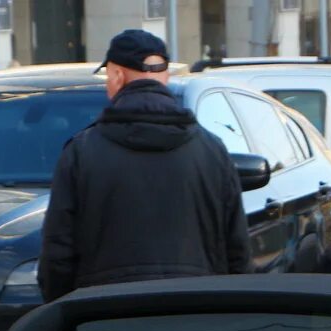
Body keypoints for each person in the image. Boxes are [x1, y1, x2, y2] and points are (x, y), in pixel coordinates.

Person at [37, 29, 249, 302]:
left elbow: (58, 252)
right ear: (165, 77)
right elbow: (237, 249)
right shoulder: (211, 150)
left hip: (105, 317)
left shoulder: (82, 152)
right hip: (195, 312)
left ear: (116, 76)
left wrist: (63, 312)